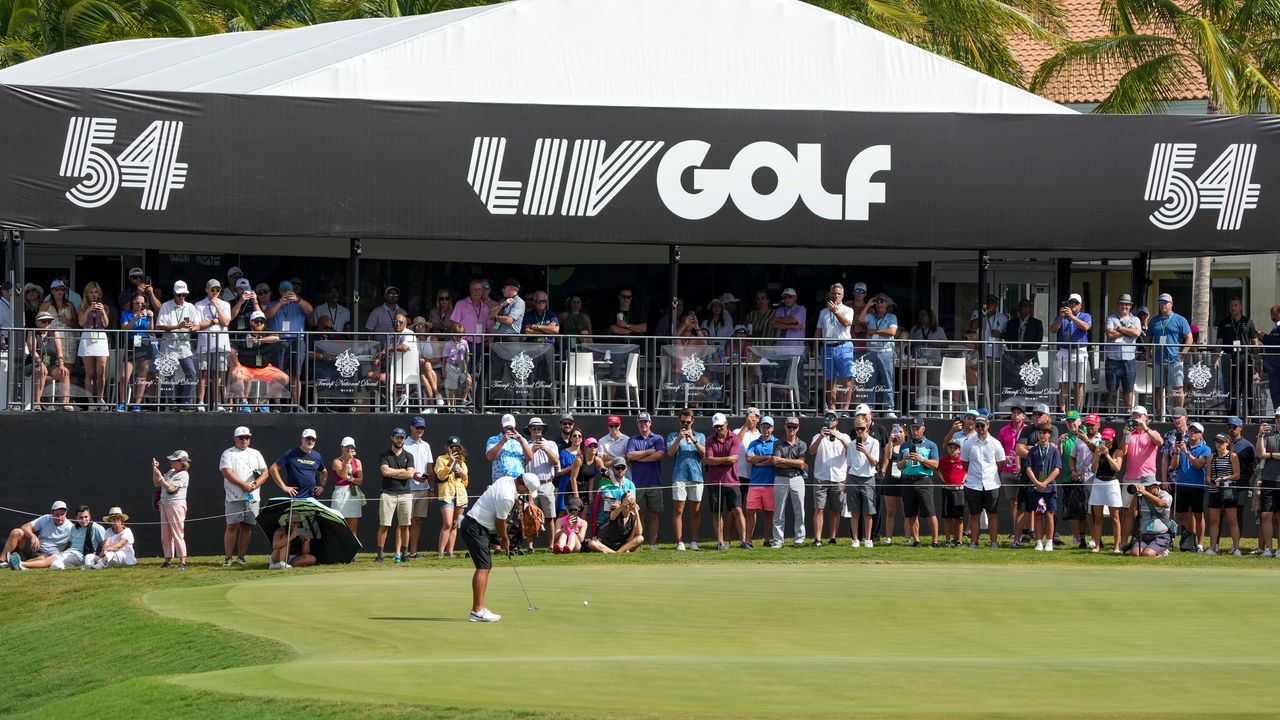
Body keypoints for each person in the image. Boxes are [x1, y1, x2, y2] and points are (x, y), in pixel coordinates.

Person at [459, 471, 542, 622]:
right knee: (483, 567)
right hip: (475, 527)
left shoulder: (508, 480)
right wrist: (504, 540)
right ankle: (477, 612)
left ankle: (479, 608)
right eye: (528, 491)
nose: (527, 494)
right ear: (523, 486)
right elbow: (500, 523)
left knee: (485, 566)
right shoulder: (507, 498)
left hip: (477, 525)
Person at [219, 425, 268, 567]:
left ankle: (241, 557)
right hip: (234, 497)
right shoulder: (228, 453)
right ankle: (228, 557)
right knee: (232, 526)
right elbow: (227, 472)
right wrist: (242, 485)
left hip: (253, 496)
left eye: (247, 437)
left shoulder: (256, 453)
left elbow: (265, 472)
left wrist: (255, 484)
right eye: (241, 438)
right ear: (235, 439)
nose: (244, 440)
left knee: (247, 527)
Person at [229, 310, 290, 411]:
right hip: (246, 367)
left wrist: (259, 340)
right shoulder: (243, 333)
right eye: (256, 321)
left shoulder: (267, 332)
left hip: (264, 368)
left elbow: (276, 338)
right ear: (251, 322)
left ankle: (263, 401)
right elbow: (232, 350)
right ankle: (244, 403)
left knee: (285, 378)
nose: (259, 324)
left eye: (262, 321)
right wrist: (237, 364)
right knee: (236, 374)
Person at [961, 413, 1006, 549]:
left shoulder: (995, 443)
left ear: (988, 425)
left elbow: (1001, 464)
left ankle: (993, 543)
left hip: (991, 484)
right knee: (974, 515)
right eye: (977, 425)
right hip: (974, 484)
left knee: (992, 514)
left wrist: (991, 474)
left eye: (982, 425)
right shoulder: (968, 443)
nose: (980, 428)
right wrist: (973, 475)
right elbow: (965, 463)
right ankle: (973, 542)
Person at [1120, 405, 1163, 545]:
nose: (1136, 418)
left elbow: (1159, 442)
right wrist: (1125, 435)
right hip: (1130, 477)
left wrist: (1145, 428)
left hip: (1147, 479)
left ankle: (1151, 542)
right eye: (1134, 416)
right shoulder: (1130, 434)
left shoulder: (1151, 432)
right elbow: (1123, 452)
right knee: (1127, 512)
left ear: (1146, 418)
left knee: (1148, 512)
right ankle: (1123, 544)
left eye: (1139, 416)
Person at [625, 411, 666, 550]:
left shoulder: (658, 438)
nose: (644, 424)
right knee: (638, 513)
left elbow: (659, 454)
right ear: (638, 424)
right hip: (638, 483)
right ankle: (639, 543)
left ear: (650, 423)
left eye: (646, 422)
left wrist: (640, 459)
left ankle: (653, 544)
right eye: (641, 422)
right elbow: (630, 455)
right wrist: (648, 452)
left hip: (654, 481)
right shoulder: (633, 439)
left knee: (654, 514)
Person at [666, 407, 706, 551]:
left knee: (695, 511)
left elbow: (704, 453)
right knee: (678, 510)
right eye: (683, 422)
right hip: (679, 476)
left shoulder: (700, 436)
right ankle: (680, 542)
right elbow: (670, 453)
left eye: (687, 422)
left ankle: (693, 542)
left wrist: (693, 439)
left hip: (696, 477)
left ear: (692, 421)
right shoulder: (672, 435)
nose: (685, 425)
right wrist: (679, 438)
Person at [155, 281, 200, 408]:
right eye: (179, 295)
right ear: (174, 293)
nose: (182, 298)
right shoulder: (165, 305)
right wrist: (177, 326)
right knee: (169, 374)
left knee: (191, 373)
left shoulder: (190, 306)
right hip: (169, 346)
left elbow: (197, 325)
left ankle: (185, 401)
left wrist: (192, 328)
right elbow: (160, 326)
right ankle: (171, 403)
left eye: (184, 295)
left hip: (184, 346)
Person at [704, 413, 745, 551]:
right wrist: (723, 460)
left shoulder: (735, 438)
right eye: (716, 427)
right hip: (714, 482)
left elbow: (733, 459)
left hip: (732, 481)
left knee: (737, 510)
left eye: (721, 426)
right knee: (717, 512)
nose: (719, 429)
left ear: (726, 423)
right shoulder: (710, 440)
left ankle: (744, 541)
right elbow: (708, 459)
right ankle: (720, 542)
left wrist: (715, 460)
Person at [896, 418, 940, 547]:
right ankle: (917, 540)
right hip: (907, 480)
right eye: (913, 428)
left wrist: (921, 459)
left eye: (917, 428)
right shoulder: (904, 445)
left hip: (923, 480)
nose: (915, 431)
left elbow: (936, 464)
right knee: (911, 513)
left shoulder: (931, 445)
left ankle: (935, 541)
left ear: (923, 429)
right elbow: (899, 466)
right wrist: (904, 459)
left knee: (930, 512)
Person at [1148, 293, 1193, 417]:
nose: (1163, 305)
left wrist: (1183, 353)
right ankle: (1158, 415)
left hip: (1175, 359)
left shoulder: (1180, 319)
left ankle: (1178, 414)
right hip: (1158, 359)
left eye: (1165, 303)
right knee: (1158, 388)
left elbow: (1189, 338)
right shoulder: (1154, 321)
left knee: (1178, 388)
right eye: (1161, 303)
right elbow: (1148, 339)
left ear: (1171, 304)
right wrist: (1148, 354)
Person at [809, 410, 849, 545]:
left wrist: (840, 438)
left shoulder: (844, 436)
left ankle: (833, 538)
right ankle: (818, 539)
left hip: (838, 477)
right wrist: (821, 437)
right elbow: (812, 451)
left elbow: (851, 451)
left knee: (835, 510)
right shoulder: (817, 436)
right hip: (821, 477)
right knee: (819, 509)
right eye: (828, 419)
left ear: (837, 421)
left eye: (833, 419)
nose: (830, 421)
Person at [377, 426, 417, 563]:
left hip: (405, 494)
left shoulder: (409, 456)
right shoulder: (384, 454)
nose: (399, 440)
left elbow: (410, 474)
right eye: (397, 437)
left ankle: (405, 554)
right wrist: (403, 472)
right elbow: (385, 472)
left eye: (402, 438)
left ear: (404, 439)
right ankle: (380, 555)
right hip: (388, 494)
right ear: (392, 438)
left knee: (405, 524)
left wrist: (394, 472)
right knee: (384, 525)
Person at [1049, 293, 1092, 413]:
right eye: (1071, 302)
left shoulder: (1085, 316)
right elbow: (1052, 330)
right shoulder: (1061, 316)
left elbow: (1086, 327)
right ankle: (1062, 410)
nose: (1073, 305)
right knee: (1063, 382)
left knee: (1079, 383)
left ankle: (1076, 411)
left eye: (1076, 303)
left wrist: (1072, 317)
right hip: (1064, 350)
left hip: (1079, 351)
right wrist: (1061, 317)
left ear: (1080, 306)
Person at [1171, 420, 1210, 550]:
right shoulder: (1183, 446)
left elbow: (1198, 465)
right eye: (1191, 431)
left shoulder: (1205, 448)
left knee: (1198, 515)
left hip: (1197, 486)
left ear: (1201, 434)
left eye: (1196, 431)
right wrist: (1177, 452)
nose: (1192, 433)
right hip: (1182, 485)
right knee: (1182, 515)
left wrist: (1186, 452)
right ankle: (1187, 541)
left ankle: (1199, 544)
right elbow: (1174, 465)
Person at [816, 283, 855, 412]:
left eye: (839, 293)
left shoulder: (848, 309)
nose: (836, 296)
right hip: (827, 347)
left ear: (843, 295)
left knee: (847, 380)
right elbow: (818, 331)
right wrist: (815, 347)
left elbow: (846, 323)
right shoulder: (823, 312)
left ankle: (845, 409)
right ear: (830, 294)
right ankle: (832, 409)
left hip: (843, 346)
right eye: (834, 293)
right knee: (829, 381)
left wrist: (835, 311)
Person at [194, 278, 232, 409]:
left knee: (218, 374)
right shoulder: (198, 305)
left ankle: (217, 402)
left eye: (218, 289)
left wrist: (216, 305)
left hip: (221, 344)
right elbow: (197, 325)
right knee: (203, 373)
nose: (215, 292)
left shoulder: (225, 304)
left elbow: (226, 322)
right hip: (204, 343)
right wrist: (213, 321)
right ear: (206, 290)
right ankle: (200, 402)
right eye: (212, 289)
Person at [772, 416, 809, 548]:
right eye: (789, 426)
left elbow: (801, 463)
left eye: (794, 427)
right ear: (785, 427)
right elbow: (776, 462)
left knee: (800, 510)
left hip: (797, 478)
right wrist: (795, 463)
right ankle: (778, 540)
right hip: (780, 478)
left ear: (797, 428)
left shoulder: (802, 444)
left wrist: (784, 461)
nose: (791, 429)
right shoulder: (778, 443)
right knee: (779, 511)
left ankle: (799, 539)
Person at [524, 417, 560, 550]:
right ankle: (530, 546)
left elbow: (556, 461)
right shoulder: (526, 445)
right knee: (530, 516)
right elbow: (522, 464)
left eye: (540, 429)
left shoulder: (550, 444)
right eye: (534, 429)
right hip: (530, 485)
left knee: (550, 516)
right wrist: (531, 451)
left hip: (546, 483)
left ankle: (551, 545)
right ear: (530, 430)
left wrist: (545, 449)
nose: (537, 431)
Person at [4, 500, 72, 571]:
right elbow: (25, 526)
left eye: (62, 514)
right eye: (57, 514)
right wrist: (33, 536)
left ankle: (17, 564)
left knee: (42, 558)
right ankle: (2, 562)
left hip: (46, 556)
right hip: (33, 548)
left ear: (66, 513)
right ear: (52, 513)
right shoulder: (46, 518)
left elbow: (76, 545)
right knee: (17, 532)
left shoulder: (70, 527)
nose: (60, 517)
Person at [77, 281, 113, 407]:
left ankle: (100, 398)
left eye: (95, 292)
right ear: (87, 294)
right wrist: (88, 310)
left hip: (100, 336)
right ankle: (91, 402)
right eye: (91, 292)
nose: (93, 294)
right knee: (90, 373)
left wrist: (102, 312)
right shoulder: (82, 306)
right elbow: (81, 323)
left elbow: (106, 324)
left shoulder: (105, 307)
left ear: (99, 293)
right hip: (87, 336)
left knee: (101, 370)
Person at [845, 415, 880, 547]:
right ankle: (855, 539)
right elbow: (848, 465)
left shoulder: (874, 442)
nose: (860, 431)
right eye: (857, 429)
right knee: (854, 512)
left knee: (868, 512)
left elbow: (874, 463)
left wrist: (865, 451)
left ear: (868, 428)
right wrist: (846, 482)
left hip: (868, 478)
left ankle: (868, 539)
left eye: (862, 429)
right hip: (853, 478)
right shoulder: (851, 444)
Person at [1205, 433, 1243, 555]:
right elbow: (1208, 477)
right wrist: (1212, 482)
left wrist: (1223, 479)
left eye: (1221, 442)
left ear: (1227, 443)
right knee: (1214, 520)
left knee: (1233, 520)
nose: (1219, 444)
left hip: (1228, 491)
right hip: (1214, 491)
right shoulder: (1211, 457)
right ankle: (1212, 547)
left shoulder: (1233, 456)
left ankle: (1236, 547)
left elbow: (1237, 475)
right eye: (1217, 442)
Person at [1025, 424, 1062, 551]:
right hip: (1036, 488)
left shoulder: (1054, 451)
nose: (1043, 435)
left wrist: (1045, 482)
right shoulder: (1033, 450)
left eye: (1045, 433)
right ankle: (1039, 542)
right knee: (1038, 514)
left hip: (1049, 487)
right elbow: (1028, 468)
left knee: (1049, 514)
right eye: (1040, 432)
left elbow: (1057, 469)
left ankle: (1049, 542)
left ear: (1049, 434)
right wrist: (1036, 482)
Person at [1088, 428, 1125, 553]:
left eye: (1108, 439)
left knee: (1115, 518)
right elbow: (1093, 469)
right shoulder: (1098, 451)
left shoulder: (1118, 451)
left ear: (1113, 439)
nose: (1105, 441)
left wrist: (1107, 455)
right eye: (1103, 439)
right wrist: (1097, 456)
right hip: (1098, 483)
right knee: (1097, 518)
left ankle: (1116, 547)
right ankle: (1097, 546)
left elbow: (1117, 468)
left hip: (1112, 483)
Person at [1104, 294, 1143, 413]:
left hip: (1129, 359)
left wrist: (1118, 329)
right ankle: (1111, 413)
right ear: (1118, 305)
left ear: (1131, 306)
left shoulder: (1135, 319)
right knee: (1112, 389)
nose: (1124, 306)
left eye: (1127, 304)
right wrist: (1127, 330)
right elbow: (1110, 334)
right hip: (1112, 359)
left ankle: (1128, 413)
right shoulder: (1110, 318)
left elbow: (1137, 333)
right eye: (1122, 304)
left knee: (1128, 389)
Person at [117, 293, 156, 411]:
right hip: (130, 342)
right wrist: (135, 318)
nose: (139, 305)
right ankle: (122, 402)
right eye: (137, 303)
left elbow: (150, 330)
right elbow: (124, 328)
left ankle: (137, 403)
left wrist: (152, 317)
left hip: (144, 342)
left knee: (142, 376)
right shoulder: (126, 313)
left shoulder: (146, 314)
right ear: (132, 302)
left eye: (142, 303)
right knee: (124, 376)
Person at [153, 450, 191, 569]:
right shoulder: (171, 472)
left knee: (177, 533)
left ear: (182, 462)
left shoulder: (184, 474)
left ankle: (182, 562)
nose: (171, 462)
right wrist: (155, 471)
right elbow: (156, 483)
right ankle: (167, 560)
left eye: (174, 460)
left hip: (176, 505)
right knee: (165, 535)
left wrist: (160, 477)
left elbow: (170, 489)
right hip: (164, 505)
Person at [404, 416, 435, 559]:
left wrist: (432, 487)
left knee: (417, 521)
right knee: (405, 521)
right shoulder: (404, 444)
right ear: (411, 427)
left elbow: (429, 467)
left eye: (422, 428)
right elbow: (400, 467)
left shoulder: (426, 445)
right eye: (417, 427)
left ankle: (413, 552)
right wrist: (412, 476)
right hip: (407, 488)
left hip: (423, 488)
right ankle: (402, 552)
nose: (420, 430)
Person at [745, 416, 778, 548]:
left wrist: (758, 461)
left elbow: (774, 461)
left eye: (768, 427)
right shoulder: (754, 443)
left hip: (771, 483)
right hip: (755, 483)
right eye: (764, 427)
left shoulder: (777, 442)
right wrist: (766, 458)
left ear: (772, 428)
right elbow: (749, 458)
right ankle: (748, 540)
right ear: (761, 427)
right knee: (750, 512)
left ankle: (767, 541)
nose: (766, 430)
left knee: (769, 513)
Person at [434, 436, 469, 559]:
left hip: (460, 496)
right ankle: (441, 553)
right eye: (452, 447)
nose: (454, 450)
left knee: (454, 524)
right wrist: (450, 463)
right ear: (447, 448)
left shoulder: (462, 463)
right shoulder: (441, 459)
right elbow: (440, 476)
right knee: (447, 523)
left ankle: (450, 552)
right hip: (447, 494)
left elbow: (465, 483)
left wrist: (463, 474)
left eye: (457, 447)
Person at [864, 293, 899, 415]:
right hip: (872, 352)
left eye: (883, 302)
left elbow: (892, 331)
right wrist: (868, 304)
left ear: (887, 304)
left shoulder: (891, 317)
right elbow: (860, 319)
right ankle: (869, 408)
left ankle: (889, 408)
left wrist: (874, 331)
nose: (880, 304)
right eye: (877, 302)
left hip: (886, 352)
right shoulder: (870, 316)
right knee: (870, 382)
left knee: (887, 381)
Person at [28, 310, 70, 410]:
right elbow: (32, 350)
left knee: (65, 372)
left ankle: (64, 404)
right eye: (44, 321)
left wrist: (61, 365)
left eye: (49, 321)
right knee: (40, 371)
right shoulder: (32, 332)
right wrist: (40, 363)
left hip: (51, 364)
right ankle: (37, 403)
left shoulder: (54, 333)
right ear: (37, 323)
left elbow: (59, 351)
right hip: (34, 363)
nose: (47, 324)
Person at [997, 406, 1027, 545]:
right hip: (1008, 470)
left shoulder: (1027, 429)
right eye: (1013, 413)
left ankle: (1029, 531)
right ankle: (1016, 530)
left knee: (1027, 501)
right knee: (1013, 501)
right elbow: (999, 449)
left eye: (1018, 413)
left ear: (1023, 416)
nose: (1015, 415)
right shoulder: (1004, 431)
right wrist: (1004, 457)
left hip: (1025, 470)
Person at [1002, 298, 1045, 394]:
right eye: (1021, 306)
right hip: (1014, 359)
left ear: (1030, 309)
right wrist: (1015, 352)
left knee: (1029, 386)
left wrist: (1025, 352)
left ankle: (1029, 408)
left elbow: (1038, 342)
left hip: (1030, 359)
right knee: (1014, 387)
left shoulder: (1037, 323)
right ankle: (1016, 408)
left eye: (1025, 306)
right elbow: (1008, 340)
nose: (1022, 308)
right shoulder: (1011, 323)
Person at [270, 428, 327, 499]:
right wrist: (284, 487)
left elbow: (323, 472)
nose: (311, 441)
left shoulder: (317, 456)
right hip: (295, 498)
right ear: (302, 439)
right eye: (308, 438)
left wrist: (322, 485)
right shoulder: (291, 453)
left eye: (313, 439)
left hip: (312, 498)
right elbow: (273, 469)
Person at [46, 506, 106, 570]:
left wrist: (102, 558)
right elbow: (72, 544)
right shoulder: (73, 528)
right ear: (76, 518)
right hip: (71, 553)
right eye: (81, 517)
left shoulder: (96, 528)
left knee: (53, 562)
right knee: (47, 560)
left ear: (90, 516)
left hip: (84, 556)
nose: (83, 520)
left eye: (86, 517)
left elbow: (105, 545)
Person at [1254, 412, 1280, 556]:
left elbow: (1265, 455)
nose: (1279, 420)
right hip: (1268, 479)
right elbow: (1259, 454)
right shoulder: (1268, 434)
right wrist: (1260, 435)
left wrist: (1269, 455)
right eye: (1277, 417)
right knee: (1266, 515)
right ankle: (1269, 549)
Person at [1131, 475, 1174, 557]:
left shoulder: (1165, 495)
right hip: (1144, 535)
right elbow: (1132, 514)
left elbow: (1162, 504)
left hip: (1160, 535)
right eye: (1145, 487)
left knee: (1147, 554)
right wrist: (1135, 496)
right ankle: (1154, 549)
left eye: (1148, 487)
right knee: (1135, 553)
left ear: (1155, 485)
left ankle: (1164, 551)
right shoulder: (1141, 497)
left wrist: (1146, 493)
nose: (1146, 489)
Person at [486, 413, 534, 482]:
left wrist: (522, 442)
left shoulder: (521, 440)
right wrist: (502, 441)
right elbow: (490, 457)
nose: (509, 428)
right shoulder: (493, 440)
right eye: (506, 426)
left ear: (515, 425)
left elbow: (530, 458)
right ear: (501, 426)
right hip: (501, 482)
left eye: (511, 426)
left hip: (518, 483)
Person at [330, 436, 364, 534]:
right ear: (342, 447)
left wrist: (351, 479)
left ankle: (352, 549)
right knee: (339, 524)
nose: (349, 449)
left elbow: (360, 480)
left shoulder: (357, 461)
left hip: (353, 492)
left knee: (353, 526)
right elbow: (342, 474)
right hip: (340, 493)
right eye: (347, 447)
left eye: (351, 447)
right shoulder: (336, 461)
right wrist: (347, 461)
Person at [595, 456, 638, 532]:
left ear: (626, 468)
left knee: (639, 538)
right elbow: (610, 505)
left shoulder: (630, 484)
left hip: (623, 521)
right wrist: (626, 504)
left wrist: (626, 505)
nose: (620, 470)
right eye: (618, 468)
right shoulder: (604, 482)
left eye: (623, 467)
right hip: (605, 521)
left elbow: (633, 505)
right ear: (612, 468)